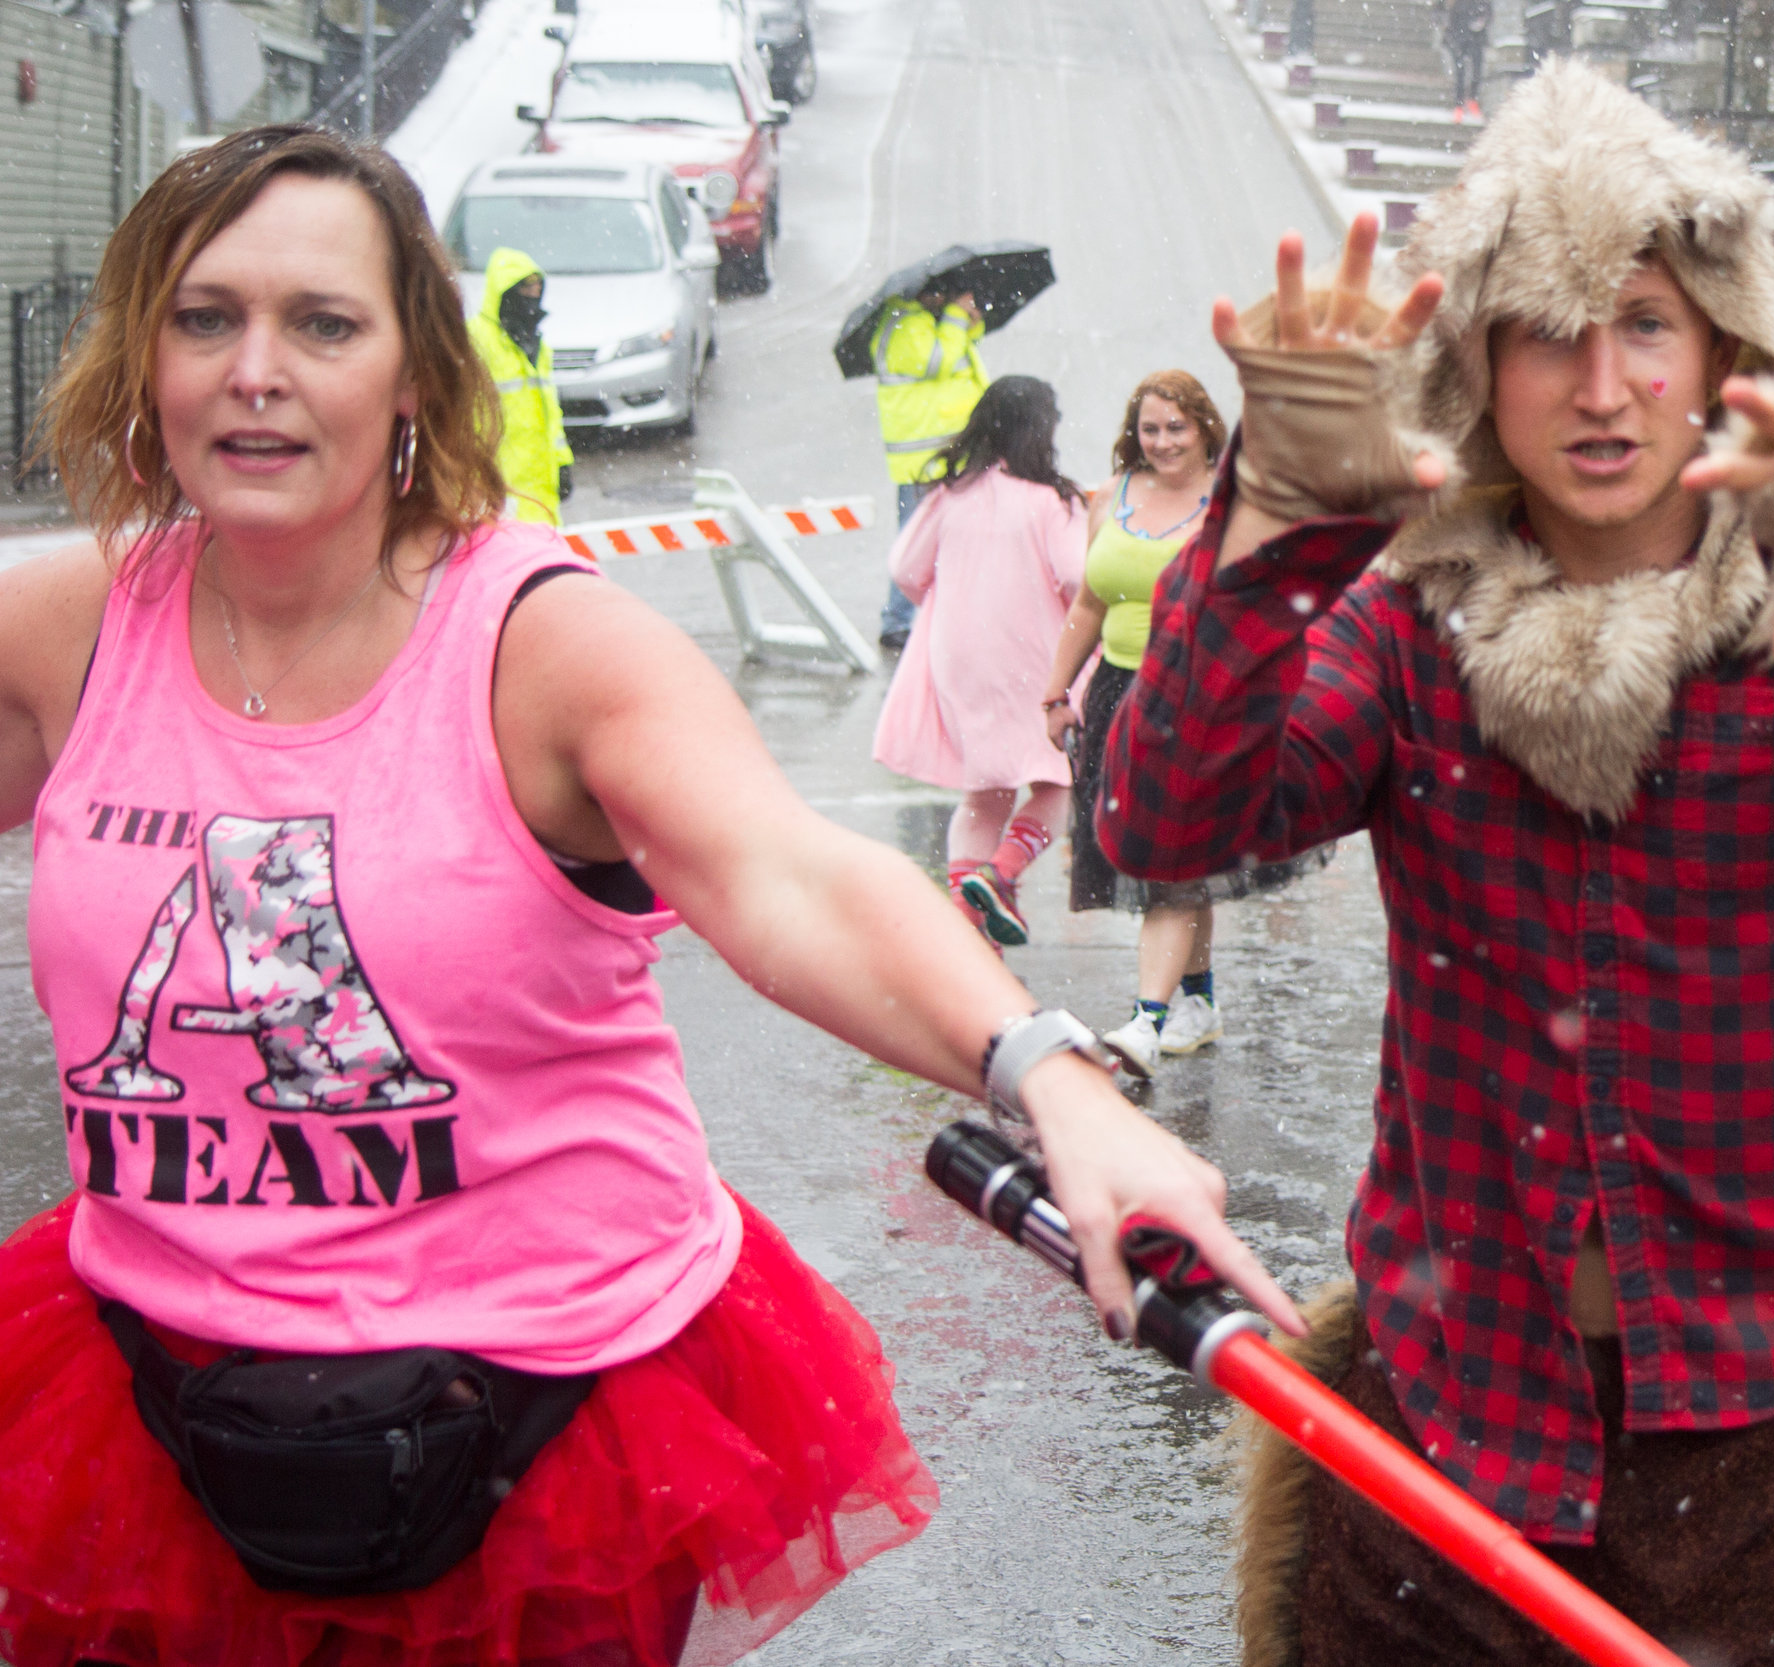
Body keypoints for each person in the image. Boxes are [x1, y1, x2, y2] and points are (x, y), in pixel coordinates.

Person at [0, 126, 1297, 1667]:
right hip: (156, 1401)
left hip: (525, 1429)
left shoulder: (542, 643)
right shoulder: (68, 627)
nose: (255, 369)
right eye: (205, 316)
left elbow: (789, 874)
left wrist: (1054, 1078)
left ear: (416, 370)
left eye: (323, 323)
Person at [1100, 63, 1774, 1666]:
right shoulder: (1406, 623)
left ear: (1723, 345)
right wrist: (1273, 526)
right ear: (1478, 362)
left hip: (1773, 1455)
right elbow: (1167, 825)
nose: (1599, 386)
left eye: (1641, 321)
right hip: (1441, 1439)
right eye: (1545, 330)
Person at [1041, 370, 1319, 1079]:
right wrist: (1055, 694)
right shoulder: (1114, 498)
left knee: (1174, 861)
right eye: (1149, 427)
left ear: (1205, 430)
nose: (1160, 441)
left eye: (1175, 428)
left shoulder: (1234, 504)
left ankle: (1146, 1019)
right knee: (1169, 862)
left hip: (1200, 699)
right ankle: (1198, 1002)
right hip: (1115, 698)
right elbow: (1090, 606)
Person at [872, 375, 1089, 946]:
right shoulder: (1051, 502)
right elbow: (1075, 577)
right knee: (1060, 781)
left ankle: (971, 931)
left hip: (960, 659)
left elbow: (905, 569)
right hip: (1031, 659)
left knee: (985, 789)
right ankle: (1001, 874)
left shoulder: (949, 495)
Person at [871, 284, 989, 646]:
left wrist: (969, 321)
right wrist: (956, 316)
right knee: (917, 539)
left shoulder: (926, 321)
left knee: (963, 537)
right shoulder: (905, 322)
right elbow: (936, 362)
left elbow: (958, 357)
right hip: (924, 459)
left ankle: (949, 615)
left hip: (952, 452)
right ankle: (897, 621)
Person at [468, 245, 572, 526]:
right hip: (501, 490)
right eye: (525, 285)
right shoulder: (475, 341)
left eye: (538, 285)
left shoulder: (537, 345)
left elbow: (550, 410)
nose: (534, 292)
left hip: (540, 489)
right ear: (505, 289)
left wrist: (562, 461)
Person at [1444, 0, 1491, 119]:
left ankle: (1471, 99)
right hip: (1458, 37)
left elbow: (1488, 13)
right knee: (1461, 72)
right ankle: (1460, 104)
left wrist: (1481, 21)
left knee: (1476, 70)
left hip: (1474, 38)